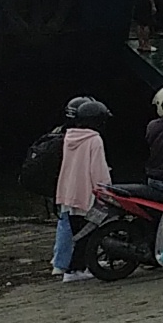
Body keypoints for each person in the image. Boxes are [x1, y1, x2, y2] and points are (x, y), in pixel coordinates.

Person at [52, 99, 113, 282]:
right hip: (86, 194)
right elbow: (98, 170)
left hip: (68, 193)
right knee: (87, 233)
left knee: (76, 231)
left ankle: (76, 266)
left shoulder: (68, 137)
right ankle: (75, 270)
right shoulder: (94, 140)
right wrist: (106, 190)